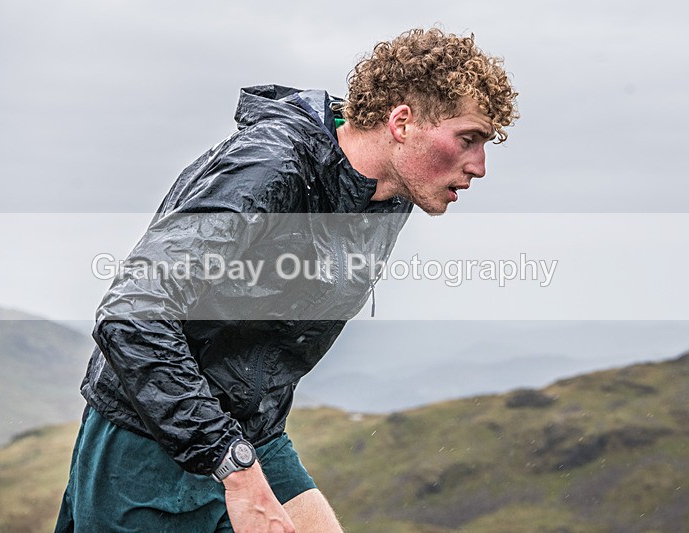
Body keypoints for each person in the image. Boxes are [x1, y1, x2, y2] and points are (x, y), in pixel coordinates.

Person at [56, 27, 517, 532]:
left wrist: (243, 453)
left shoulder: (389, 193)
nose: (480, 166)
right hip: (148, 441)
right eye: (468, 139)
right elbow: (132, 314)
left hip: (254, 435)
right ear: (402, 122)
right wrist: (234, 468)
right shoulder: (269, 168)